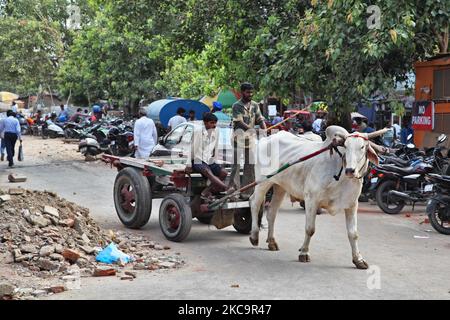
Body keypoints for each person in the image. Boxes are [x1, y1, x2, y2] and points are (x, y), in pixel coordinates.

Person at [230, 82, 267, 198]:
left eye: (251, 92)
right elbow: (239, 122)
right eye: (248, 92)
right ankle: (234, 191)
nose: (250, 94)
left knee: (250, 166)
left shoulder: (255, 105)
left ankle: (247, 192)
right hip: (238, 138)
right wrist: (251, 129)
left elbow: (260, 119)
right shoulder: (236, 106)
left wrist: (264, 129)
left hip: (250, 140)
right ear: (242, 93)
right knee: (236, 166)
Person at [187, 112, 234, 199]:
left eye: (215, 122)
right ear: (205, 123)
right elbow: (191, 149)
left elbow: (215, 147)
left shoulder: (216, 131)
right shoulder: (198, 132)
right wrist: (188, 164)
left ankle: (206, 191)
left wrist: (216, 161)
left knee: (224, 173)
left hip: (209, 159)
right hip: (197, 159)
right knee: (208, 171)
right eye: (211, 123)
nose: (214, 125)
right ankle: (226, 188)